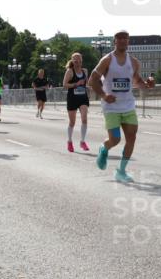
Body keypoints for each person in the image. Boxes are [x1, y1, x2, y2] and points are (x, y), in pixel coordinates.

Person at [88, 29, 155, 182]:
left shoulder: (134, 62)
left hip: (128, 106)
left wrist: (147, 84)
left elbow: (137, 81)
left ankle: (121, 171)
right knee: (115, 139)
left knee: (131, 138)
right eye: (120, 38)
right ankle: (104, 148)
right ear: (115, 41)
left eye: (126, 38)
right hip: (111, 107)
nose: (123, 40)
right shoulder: (107, 60)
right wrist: (104, 96)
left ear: (128, 41)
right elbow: (92, 79)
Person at [62, 52, 91, 152]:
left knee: (84, 119)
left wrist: (90, 87)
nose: (78, 63)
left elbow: (87, 83)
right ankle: (69, 141)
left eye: (79, 61)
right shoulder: (70, 72)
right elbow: (65, 84)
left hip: (83, 98)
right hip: (72, 98)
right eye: (75, 61)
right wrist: (76, 84)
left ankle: (82, 141)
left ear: (82, 61)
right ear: (72, 61)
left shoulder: (85, 71)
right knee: (72, 122)